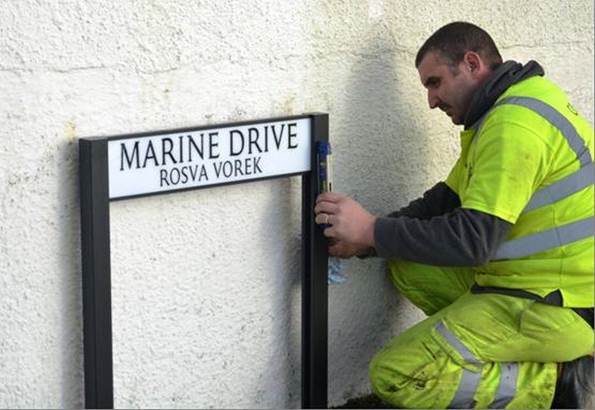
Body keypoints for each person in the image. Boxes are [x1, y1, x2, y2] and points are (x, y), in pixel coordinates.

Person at [315, 22, 594, 409]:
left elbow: (472, 241)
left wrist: (371, 229)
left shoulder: (512, 125)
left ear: (472, 63)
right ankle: (498, 351)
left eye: (435, 82)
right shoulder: (517, 101)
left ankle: (555, 380)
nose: (431, 100)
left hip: (555, 304)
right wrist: (363, 241)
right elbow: (444, 201)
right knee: (409, 264)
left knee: (395, 375)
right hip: (550, 281)